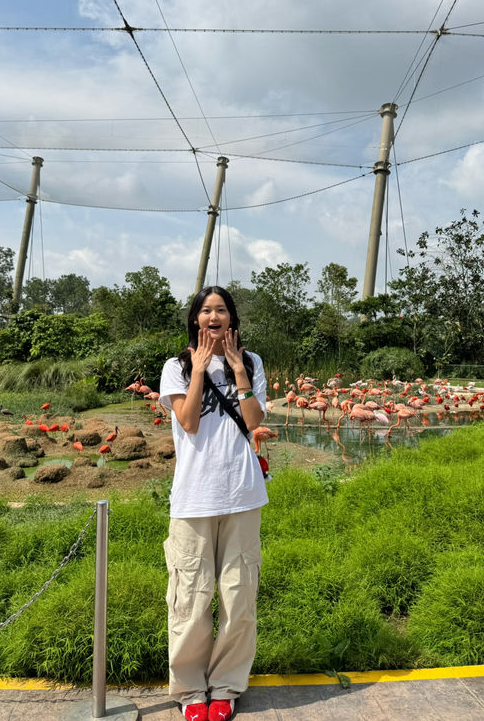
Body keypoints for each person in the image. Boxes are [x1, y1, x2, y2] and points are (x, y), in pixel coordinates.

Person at [159, 285, 269, 721]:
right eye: (206, 311)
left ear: (232, 319)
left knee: (238, 596)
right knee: (189, 595)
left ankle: (226, 686)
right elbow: (187, 423)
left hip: (242, 494)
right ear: (195, 320)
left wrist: (240, 372)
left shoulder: (253, 361)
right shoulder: (176, 366)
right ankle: (190, 690)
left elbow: (255, 421)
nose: (214, 316)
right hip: (193, 497)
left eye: (221, 309)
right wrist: (201, 368)